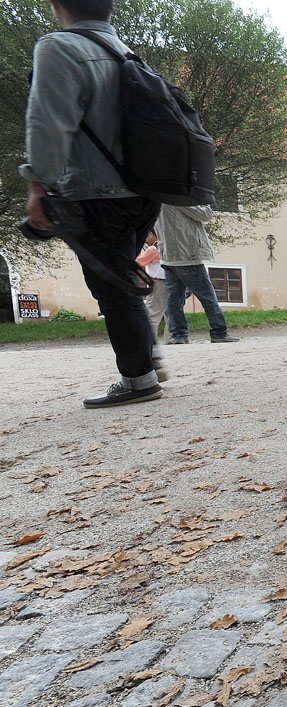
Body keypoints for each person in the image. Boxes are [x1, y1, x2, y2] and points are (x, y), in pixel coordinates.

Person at [21, 0, 164, 408]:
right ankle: (147, 360)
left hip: (99, 191)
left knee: (111, 284)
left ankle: (139, 379)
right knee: (119, 274)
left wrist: (38, 186)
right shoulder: (126, 53)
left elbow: (47, 122)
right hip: (144, 193)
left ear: (55, 5)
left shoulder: (59, 47)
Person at [157, 204, 239, 344]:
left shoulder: (156, 199)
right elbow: (205, 214)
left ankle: (178, 335)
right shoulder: (178, 198)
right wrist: (204, 201)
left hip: (167, 256)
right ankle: (219, 332)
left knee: (175, 297)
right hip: (187, 255)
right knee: (207, 295)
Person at [137, 231, 168, 344]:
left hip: (158, 283)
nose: (145, 239)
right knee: (171, 314)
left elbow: (137, 264)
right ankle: (172, 339)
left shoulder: (152, 249)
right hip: (172, 283)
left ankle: (149, 341)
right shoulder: (167, 246)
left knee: (152, 314)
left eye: (146, 235)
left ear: (151, 233)